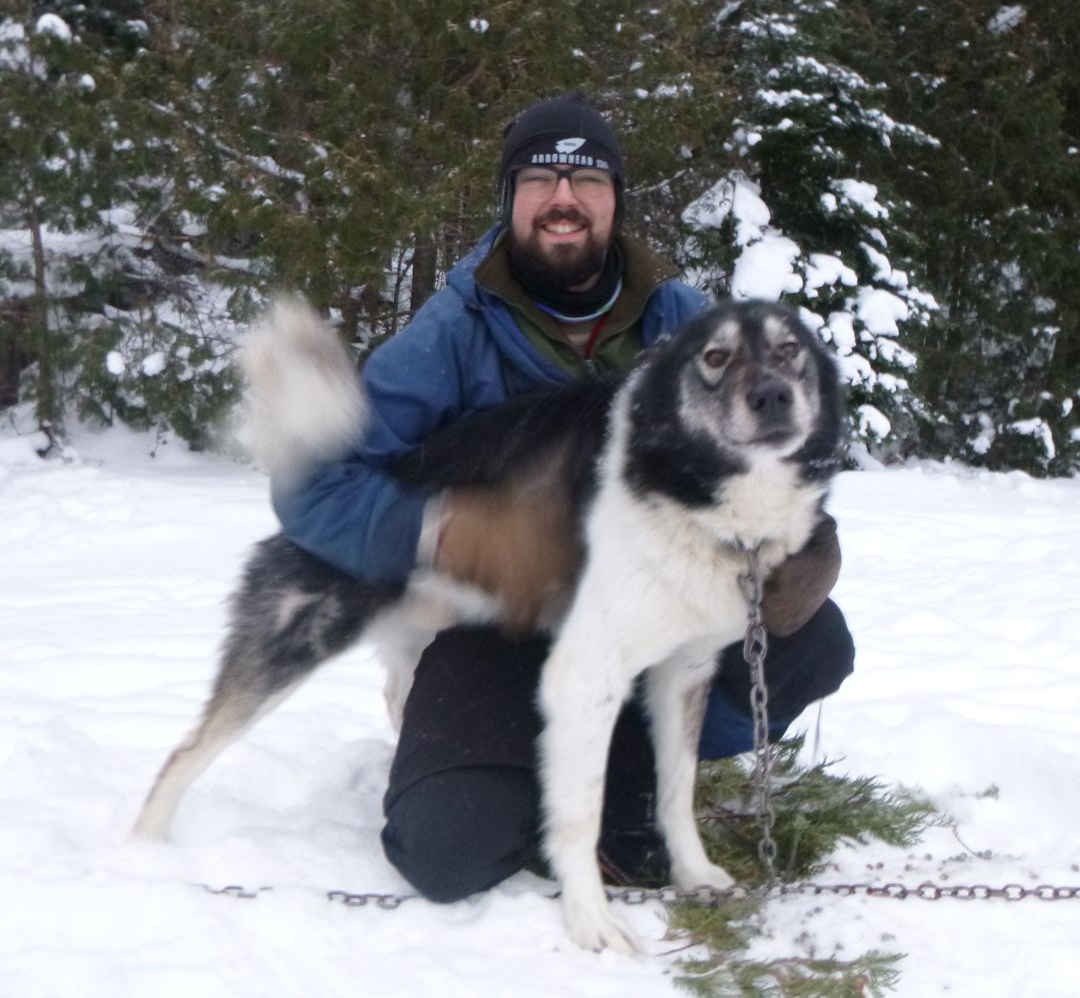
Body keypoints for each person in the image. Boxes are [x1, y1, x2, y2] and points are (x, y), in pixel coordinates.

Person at [273, 94, 854, 900]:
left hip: (648, 611)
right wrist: (445, 531)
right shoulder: (453, 335)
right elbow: (316, 486)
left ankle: (629, 762)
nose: (563, 198)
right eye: (540, 177)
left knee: (815, 640)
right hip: (503, 621)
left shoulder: (686, 324)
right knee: (450, 852)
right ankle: (516, 757)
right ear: (510, 198)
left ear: (616, 199)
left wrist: (809, 549)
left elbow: (767, 455)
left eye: (587, 180)